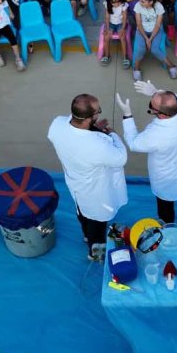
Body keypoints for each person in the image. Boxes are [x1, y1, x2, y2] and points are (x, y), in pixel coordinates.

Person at [47, 94, 129, 261]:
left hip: (76, 183)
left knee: (82, 211)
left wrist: (94, 128)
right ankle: (95, 253)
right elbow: (121, 158)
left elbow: (74, 129)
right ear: (92, 116)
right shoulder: (97, 145)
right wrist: (113, 134)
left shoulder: (57, 125)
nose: (99, 113)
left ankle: (86, 235)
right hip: (96, 192)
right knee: (98, 222)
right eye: (98, 110)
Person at [116, 80, 177, 224]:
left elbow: (134, 143)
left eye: (152, 107)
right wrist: (157, 92)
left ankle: (168, 228)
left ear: (161, 115)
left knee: (165, 205)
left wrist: (127, 115)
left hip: (165, 177)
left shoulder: (156, 134)